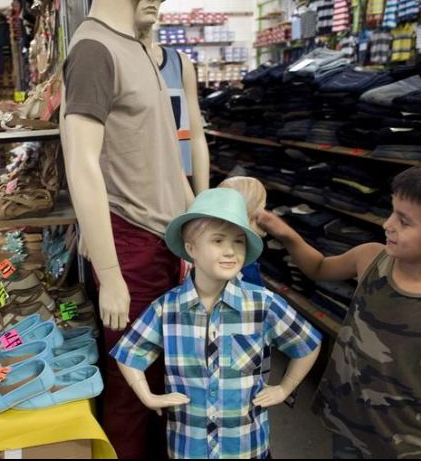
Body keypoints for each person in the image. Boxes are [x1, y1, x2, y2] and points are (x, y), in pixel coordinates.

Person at [256, 159, 421, 458]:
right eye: (392, 212)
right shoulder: (370, 258)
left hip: (409, 445)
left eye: (404, 221)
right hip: (347, 423)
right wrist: (285, 234)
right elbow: (319, 268)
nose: (387, 224)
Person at [61, 0, 193, 457]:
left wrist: (196, 221)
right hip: (131, 244)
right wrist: (111, 272)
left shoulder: (137, 46)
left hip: (164, 243)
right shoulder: (95, 48)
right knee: (131, 388)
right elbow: (81, 161)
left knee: (160, 379)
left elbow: (165, 152)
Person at [111, 188, 322, 459]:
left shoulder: (262, 304)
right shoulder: (168, 308)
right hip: (189, 447)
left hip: (246, 446)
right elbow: (129, 353)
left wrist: (285, 388)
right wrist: (147, 396)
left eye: (238, 242)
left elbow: (308, 343)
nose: (230, 251)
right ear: (191, 249)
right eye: (218, 240)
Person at [134, 0, 210, 193]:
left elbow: (196, 135)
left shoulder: (180, 63)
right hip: (138, 187)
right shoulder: (117, 62)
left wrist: (203, 199)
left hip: (182, 182)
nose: (151, 3)